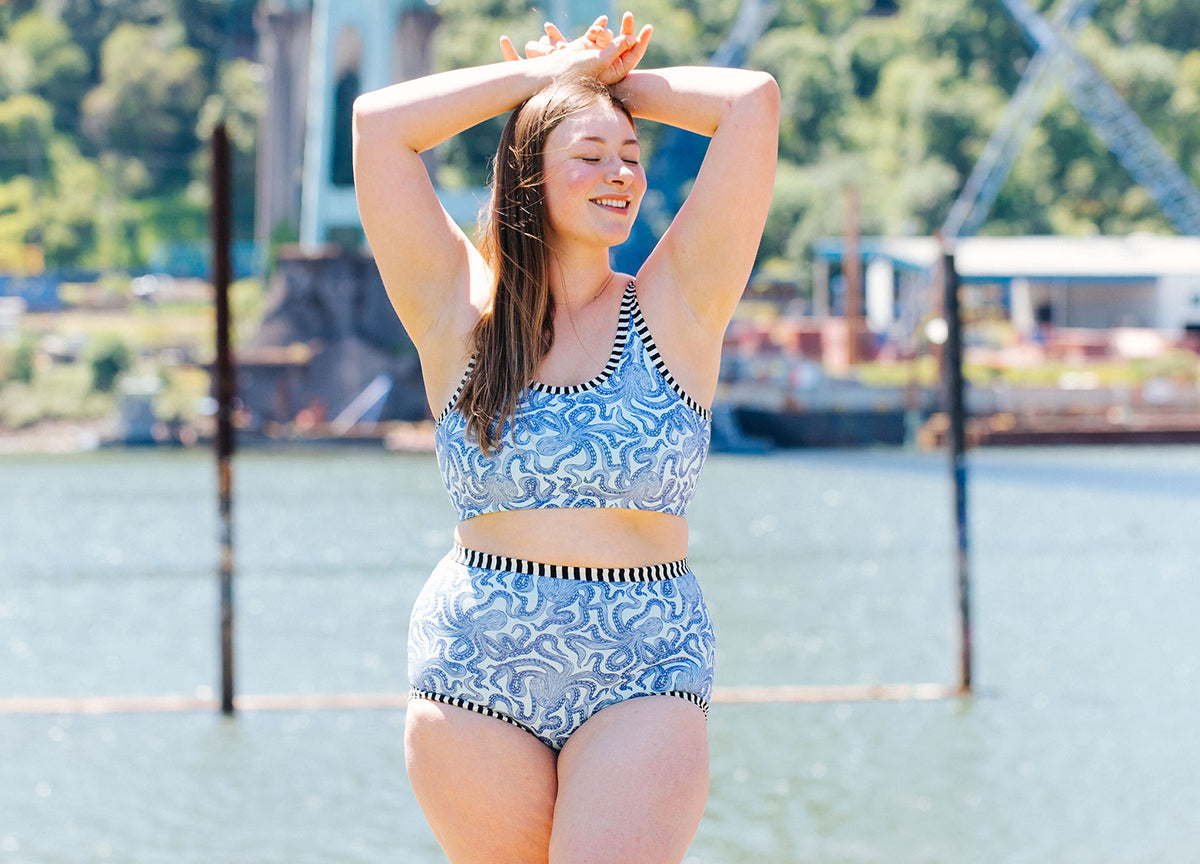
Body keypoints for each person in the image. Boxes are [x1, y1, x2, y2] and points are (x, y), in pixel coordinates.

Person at [353, 12, 778, 863]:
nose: (620, 173)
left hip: (644, 661)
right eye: (588, 156)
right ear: (528, 175)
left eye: (629, 157)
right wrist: (541, 82)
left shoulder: (678, 304)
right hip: (477, 665)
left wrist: (605, 87)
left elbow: (751, 104)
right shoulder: (459, 313)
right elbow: (380, 128)